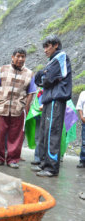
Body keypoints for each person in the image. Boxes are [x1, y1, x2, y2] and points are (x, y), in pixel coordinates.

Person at [0, 48, 36, 169]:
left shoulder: (29, 73)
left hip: (18, 110)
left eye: (23, 57)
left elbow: (31, 93)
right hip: (2, 108)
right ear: (12, 57)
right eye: (18, 56)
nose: (21, 59)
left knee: (16, 136)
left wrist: (26, 107)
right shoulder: (3, 69)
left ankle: (12, 159)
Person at [34, 35, 72, 177]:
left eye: (47, 46)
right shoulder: (52, 61)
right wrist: (42, 75)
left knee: (52, 132)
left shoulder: (61, 56)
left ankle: (51, 168)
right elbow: (40, 80)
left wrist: (42, 75)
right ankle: (44, 164)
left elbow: (47, 79)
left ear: (56, 45)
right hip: (49, 99)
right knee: (45, 131)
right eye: (44, 47)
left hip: (56, 99)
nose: (45, 50)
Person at [76, 90, 85, 168]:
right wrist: (81, 117)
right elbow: (79, 106)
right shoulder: (83, 93)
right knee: (84, 142)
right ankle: (83, 160)